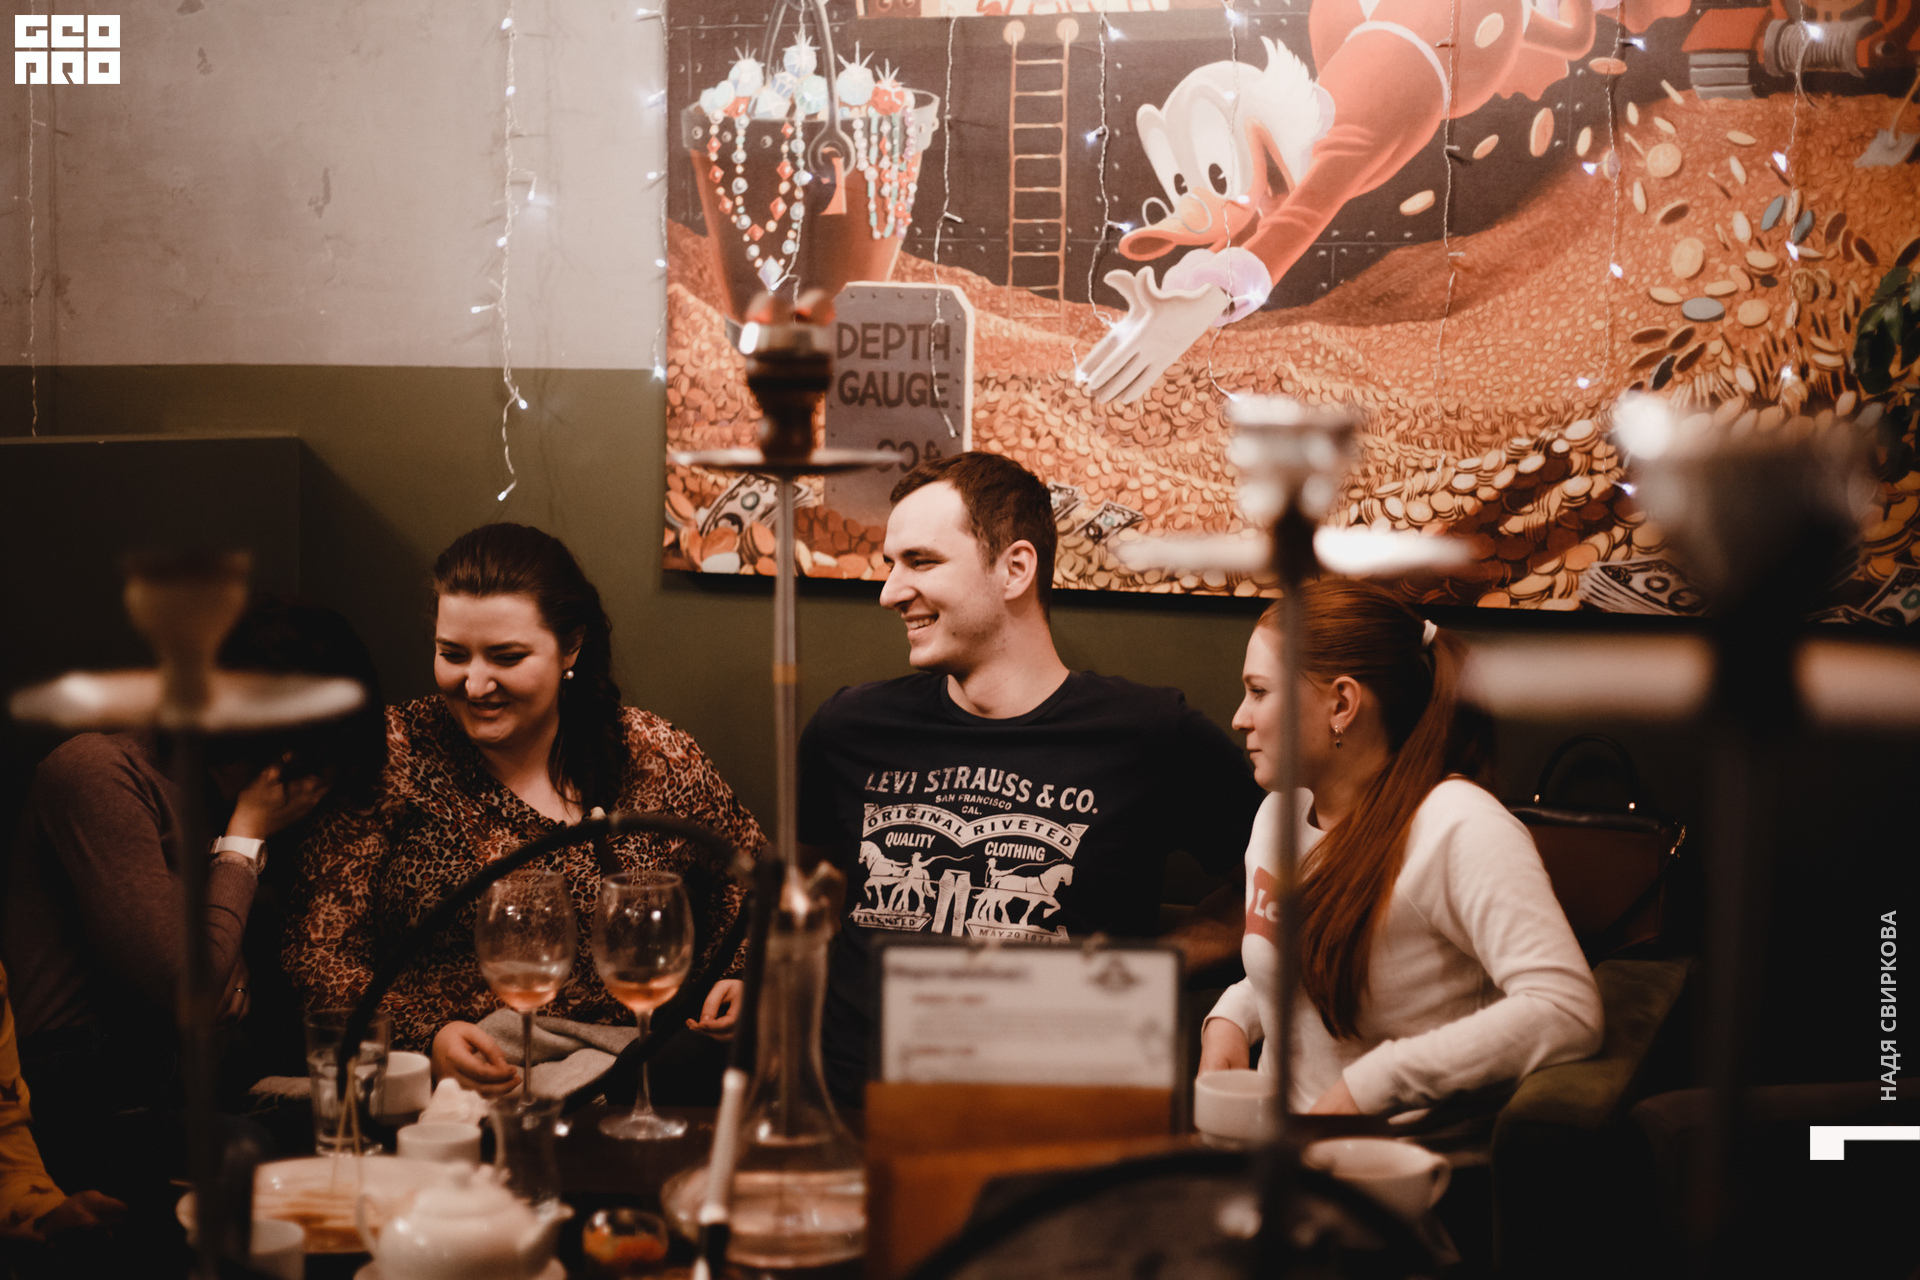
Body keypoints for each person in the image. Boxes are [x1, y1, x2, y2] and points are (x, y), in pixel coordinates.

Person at [798, 451, 1266, 1107]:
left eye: (921, 562)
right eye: (891, 564)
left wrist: (1146, 968)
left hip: (1060, 1117)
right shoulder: (849, 727)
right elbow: (807, 891)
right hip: (860, 1114)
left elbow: (1287, 886)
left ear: (1016, 568)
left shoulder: (1149, 734)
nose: (890, 591)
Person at [286, 523, 765, 1096]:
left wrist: (742, 976)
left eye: (507, 657)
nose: (475, 684)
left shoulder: (651, 754)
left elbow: (755, 883)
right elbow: (319, 951)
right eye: (452, 654)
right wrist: (427, 1037)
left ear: (571, 647)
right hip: (445, 1091)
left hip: (634, 1073)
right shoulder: (392, 753)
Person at [1198, 581, 1604, 1117]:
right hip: (1274, 1141)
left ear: (1341, 703)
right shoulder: (1279, 814)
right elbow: (1300, 963)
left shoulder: (1459, 825)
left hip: (1400, 1152)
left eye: (1258, 691)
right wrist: (1231, 1019)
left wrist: (1372, 1085)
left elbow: (1566, 1009)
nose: (1239, 717)